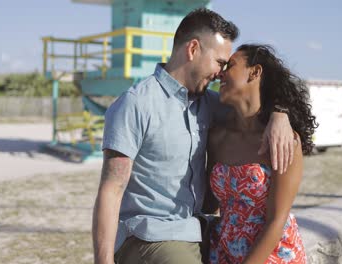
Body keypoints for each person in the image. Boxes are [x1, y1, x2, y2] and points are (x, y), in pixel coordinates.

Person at [92, 9, 295, 264]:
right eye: (220, 62)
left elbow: (254, 104)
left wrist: (280, 113)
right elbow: (111, 189)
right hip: (150, 235)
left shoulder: (211, 103)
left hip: (198, 230)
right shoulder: (135, 104)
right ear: (193, 49)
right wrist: (103, 261)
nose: (221, 73)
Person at [206, 44, 318, 264]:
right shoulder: (217, 137)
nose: (220, 73)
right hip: (223, 253)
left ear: (254, 72)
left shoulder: (284, 140)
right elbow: (210, 205)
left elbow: (277, 220)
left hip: (273, 256)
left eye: (230, 65)